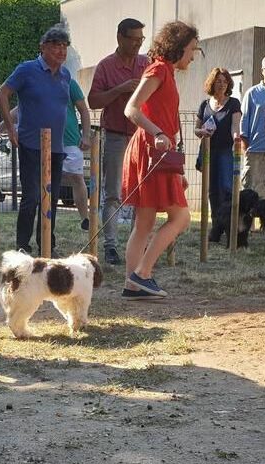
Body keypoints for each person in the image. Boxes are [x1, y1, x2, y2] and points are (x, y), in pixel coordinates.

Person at [120, 21, 199, 301]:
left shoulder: (168, 72)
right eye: (192, 49)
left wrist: (176, 170)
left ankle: (132, 285)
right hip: (152, 149)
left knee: (144, 223)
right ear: (178, 47)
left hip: (158, 150)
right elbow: (132, 109)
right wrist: (158, 133)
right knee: (182, 216)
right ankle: (142, 274)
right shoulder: (158, 69)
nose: (193, 55)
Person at [0, 24, 73, 258]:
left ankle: (47, 244)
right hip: (30, 144)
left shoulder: (65, 75)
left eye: (64, 46)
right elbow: (2, 95)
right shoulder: (27, 70)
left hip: (57, 147)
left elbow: (45, 104)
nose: (61, 51)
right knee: (32, 197)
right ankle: (23, 245)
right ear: (43, 48)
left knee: (52, 197)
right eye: (55, 46)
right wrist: (10, 128)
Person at [87, 17, 147, 265]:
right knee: (112, 192)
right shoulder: (105, 67)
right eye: (133, 39)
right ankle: (110, 245)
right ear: (120, 38)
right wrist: (120, 89)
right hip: (114, 136)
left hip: (141, 135)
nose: (137, 44)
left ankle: (138, 243)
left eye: (141, 40)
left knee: (142, 193)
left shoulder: (146, 64)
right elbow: (93, 101)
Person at [195, 67, 241, 244]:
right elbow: (196, 129)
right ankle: (215, 229)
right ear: (212, 83)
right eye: (218, 81)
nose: (221, 84)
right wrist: (203, 131)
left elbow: (235, 126)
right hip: (207, 151)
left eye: (224, 81)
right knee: (212, 191)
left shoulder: (233, 103)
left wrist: (236, 137)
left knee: (226, 189)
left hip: (225, 152)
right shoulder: (204, 105)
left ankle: (230, 228)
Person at [238, 53, 265, 204]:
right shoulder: (252, 94)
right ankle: (251, 226)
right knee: (252, 191)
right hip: (256, 150)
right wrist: (246, 146)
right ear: (262, 71)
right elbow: (244, 121)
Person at [60, 76, 92, 232]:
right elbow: (20, 110)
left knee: (77, 178)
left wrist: (85, 136)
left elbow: (83, 110)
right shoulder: (37, 81)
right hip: (46, 141)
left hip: (71, 141)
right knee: (45, 179)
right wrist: (0, 129)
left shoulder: (69, 83)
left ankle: (84, 218)